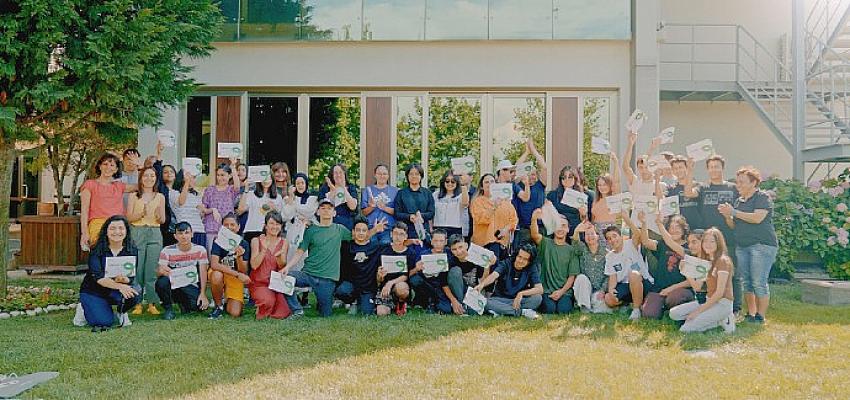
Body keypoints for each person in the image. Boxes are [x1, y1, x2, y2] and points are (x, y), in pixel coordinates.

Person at [285, 199, 382, 317]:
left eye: (329, 208)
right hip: (309, 274)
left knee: (325, 314)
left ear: (334, 213)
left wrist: (375, 230)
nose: (326, 211)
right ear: (318, 212)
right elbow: (299, 252)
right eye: (323, 208)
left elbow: (359, 237)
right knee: (284, 278)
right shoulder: (310, 231)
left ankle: (325, 302)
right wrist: (287, 267)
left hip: (327, 280)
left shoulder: (340, 230)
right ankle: (297, 310)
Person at [719, 166, 778, 324]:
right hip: (742, 246)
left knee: (758, 282)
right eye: (737, 182)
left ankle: (760, 316)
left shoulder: (762, 197)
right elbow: (734, 225)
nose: (738, 185)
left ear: (753, 183)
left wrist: (734, 212)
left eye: (742, 182)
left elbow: (757, 218)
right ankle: (751, 313)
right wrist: (728, 216)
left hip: (761, 245)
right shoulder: (739, 201)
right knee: (746, 282)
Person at [686, 154, 741, 314]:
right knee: (709, 272)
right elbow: (688, 192)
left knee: (733, 273)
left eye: (717, 166)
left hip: (728, 237)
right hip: (708, 241)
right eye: (711, 167)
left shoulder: (733, 188)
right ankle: (709, 303)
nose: (714, 169)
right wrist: (690, 170)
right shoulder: (703, 188)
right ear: (707, 170)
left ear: (722, 168)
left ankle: (735, 308)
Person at [78, 215, 141, 331]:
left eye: (121, 228)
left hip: (114, 290)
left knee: (136, 292)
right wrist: (120, 286)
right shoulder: (96, 250)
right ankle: (83, 308)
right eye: (112, 228)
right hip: (94, 291)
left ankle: (121, 311)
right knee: (103, 322)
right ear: (106, 231)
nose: (117, 232)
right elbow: (98, 277)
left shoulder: (132, 250)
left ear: (126, 231)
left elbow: (131, 276)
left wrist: (124, 280)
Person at [669, 228, 736, 333]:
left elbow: (719, 293)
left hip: (722, 303)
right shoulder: (705, 261)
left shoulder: (723, 261)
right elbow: (697, 287)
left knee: (684, 330)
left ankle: (724, 317)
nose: (708, 244)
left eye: (712, 241)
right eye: (705, 241)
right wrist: (685, 270)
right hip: (708, 301)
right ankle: (717, 320)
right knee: (673, 313)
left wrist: (697, 312)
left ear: (718, 243)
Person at [126, 167, 166, 315]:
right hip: (137, 232)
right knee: (138, 269)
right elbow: (129, 218)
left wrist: (159, 215)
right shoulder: (133, 196)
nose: (149, 178)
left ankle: (151, 302)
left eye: (152, 176)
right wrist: (140, 214)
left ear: (156, 178)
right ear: (141, 178)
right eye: (146, 176)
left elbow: (163, 220)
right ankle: (137, 303)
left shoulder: (160, 196)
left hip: (154, 232)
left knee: (152, 269)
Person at [639, 213, 695, 319]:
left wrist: (670, 289)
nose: (674, 230)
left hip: (680, 289)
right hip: (660, 288)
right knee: (649, 314)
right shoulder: (663, 244)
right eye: (671, 227)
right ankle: (664, 307)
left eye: (677, 227)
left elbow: (691, 281)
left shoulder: (690, 247)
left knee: (675, 298)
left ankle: (672, 307)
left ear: (684, 229)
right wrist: (644, 223)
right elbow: (646, 242)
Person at [155, 222, 210, 320]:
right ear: (175, 236)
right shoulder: (166, 250)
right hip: (174, 284)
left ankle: (184, 304)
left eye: (187, 233)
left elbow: (203, 272)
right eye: (180, 233)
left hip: (190, 285)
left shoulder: (200, 250)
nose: (184, 236)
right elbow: (159, 272)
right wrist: (162, 271)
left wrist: (203, 294)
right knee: (161, 282)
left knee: (198, 306)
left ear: (192, 234)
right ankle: (168, 309)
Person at [603, 215, 654, 321]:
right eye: (609, 239)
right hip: (625, 286)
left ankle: (636, 310)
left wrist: (626, 218)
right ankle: (628, 304)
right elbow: (613, 277)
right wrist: (611, 290)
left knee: (633, 274)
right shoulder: (609, 257)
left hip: (642, 282)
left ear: (621, 236)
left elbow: (638, 234)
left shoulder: (630, 244)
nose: (613, 240)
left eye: (614, 236)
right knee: (608, 298)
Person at [474, 243, 544, 319]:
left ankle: (501, 310)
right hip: (501, 299)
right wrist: (482, 284)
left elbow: (540, 289)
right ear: (516, 255)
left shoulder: (531, 268)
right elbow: (494, 275)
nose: (521, 261)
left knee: (537, 298)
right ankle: (522, 312)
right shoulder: (506, 263)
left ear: (529, 261)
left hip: (519, 300)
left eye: (525, 259)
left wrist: (521, 294)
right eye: (519, 257)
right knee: (487, 302)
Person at [530, 208, 580, 314]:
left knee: (563, 310)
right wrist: (534, 219)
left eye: (563, 226)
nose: (560, 229)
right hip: (546, 290)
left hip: (564, 291)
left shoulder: (571, 250)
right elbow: (534, 235)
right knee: (550, 309)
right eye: (557, 225)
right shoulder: (546, 243)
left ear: (568, 229)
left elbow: (572, 276)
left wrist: (561, 292)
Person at [80, 153, 135, 248]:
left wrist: (137, 165)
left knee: (117, 255)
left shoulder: (119, 185)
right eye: (105, 164)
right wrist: (84, 233)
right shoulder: (90, 184)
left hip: (118, 225)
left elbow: (144, 184)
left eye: (112, 165)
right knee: (101, 252)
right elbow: (84, 211)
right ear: (100, 166)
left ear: (116, 169)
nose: (108, 167)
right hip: (98, 225)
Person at [249, 211, 292, 320]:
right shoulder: (256, 241)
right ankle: (263, 304)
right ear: (265, 226)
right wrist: (264, 249)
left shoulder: (284, 242)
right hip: (260, 283)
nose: (275, 227)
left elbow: (282, 266)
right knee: (268, 302)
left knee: (284, 311)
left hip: (276, 283)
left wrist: (279, 258)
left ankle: (268, 304)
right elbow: (254, 265)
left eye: (277, 224)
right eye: (271, 223)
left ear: (281, 226)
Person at [439, 234, 495, 315]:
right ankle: (462, 304)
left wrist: (487, 266)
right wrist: (454, 301)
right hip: (458, 292)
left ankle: (465, 307)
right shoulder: (450, 261)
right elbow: (444, 284)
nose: (458, 251)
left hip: (473, 290)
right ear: (450, 250)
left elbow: (482, 281)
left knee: (473, 312)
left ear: (466, 245)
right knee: (455, 270)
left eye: (460, 247)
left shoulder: (476, 257)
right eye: (454, 249)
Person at [208, 213, 251, 319]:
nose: (229, 227)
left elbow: (243, 270)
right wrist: (237, 274)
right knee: (216, 275)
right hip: (223, 273)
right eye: (226, 225)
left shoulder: (244, 243)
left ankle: (227, 299)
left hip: (234, 277)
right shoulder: (218, 241)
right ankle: (218, 306)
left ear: (238, 227)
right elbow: (214, 264)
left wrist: (239, 257)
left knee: (235, 313)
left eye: (232, 225)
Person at [622, 132, 667, 233]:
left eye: (646, 167)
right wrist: (630, 144)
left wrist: (652, 148)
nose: (644, 170)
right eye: (641, 167)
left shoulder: (661, 185)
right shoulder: (635, 182)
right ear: (638, 168)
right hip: (636, 227)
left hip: (654, 229)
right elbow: (625, 167)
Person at [343, 216, 387, 315]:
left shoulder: (376, 247)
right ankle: (352, 301)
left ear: (367, 232)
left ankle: (360, 303)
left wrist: (411, 241)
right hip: (352, 286)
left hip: (368, 288)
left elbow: (395, 245)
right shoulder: (347, 246)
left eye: (364, 230)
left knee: (366, 312)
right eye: (358, 230)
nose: (361, 233)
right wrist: (374, 230)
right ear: (353, 231)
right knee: (342, 290)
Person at [470, 173, 518, 261]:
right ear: (482, 187)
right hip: (484, 245)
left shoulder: (505, 201)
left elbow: (514, 219)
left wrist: (506, 229)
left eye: (492, 181)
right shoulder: (477, 202)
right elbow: (480, 219)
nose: (490, 184)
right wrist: (494, 207)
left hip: (502, 243)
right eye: (486, 182)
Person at [375, 222, 418, 316]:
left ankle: (401, 302)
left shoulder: (411, 253)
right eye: (395, 233)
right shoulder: (384, 250)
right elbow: (378, 280)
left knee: (401, 288)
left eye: (401, 234)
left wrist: (390, 283)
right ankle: (391, 304)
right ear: (391, 234)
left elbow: (406, 275)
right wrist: (380, 276)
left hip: (400, 285)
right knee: (381, 313)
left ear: (406, 236)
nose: (398, 237)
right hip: (385, 287)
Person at [512, 139, 548, 249]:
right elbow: (515, 169)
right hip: (524, 229)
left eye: (533, 174)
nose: (531, 176)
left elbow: (544, 167)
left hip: (539, 227)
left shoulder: (540, 185)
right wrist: (526, 153)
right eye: (528, 174)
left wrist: (533, 150)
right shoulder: (518, 186)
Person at [572, 221, 612, 313]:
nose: (590, 236)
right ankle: (585, 307)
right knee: (581, 278)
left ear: (597, 236)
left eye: (592, 234)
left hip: (599, 290)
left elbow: (609, 275)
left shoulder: (606, 253)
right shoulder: (582, 249)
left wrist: (602, 290)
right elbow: (575, 243)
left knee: (601, 308)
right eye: (587, 234)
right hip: (585, 288)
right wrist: (577, 231)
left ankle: (592, 304)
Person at [201, 162, 242, 252]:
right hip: (211, 228)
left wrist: (233, 166)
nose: (220, 178)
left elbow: (237, 186)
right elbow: (203, 209)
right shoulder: (209, 190)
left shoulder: (231, 190)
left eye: (222, 175)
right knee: (211, 254)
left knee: (226, 256)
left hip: (227, 229)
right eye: (218, 175)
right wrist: (212, 210)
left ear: (229, 176)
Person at [408, 229, 449, 313]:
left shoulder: (449, 253)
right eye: (435, 241)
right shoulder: (424, 254)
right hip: (426, 286)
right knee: (415, 279)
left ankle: (433, 302)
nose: (438, 244)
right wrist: (416, 269)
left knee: (446, 309)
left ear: (446, 242)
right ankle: (424, 300)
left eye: (441, 241)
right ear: (431, 241)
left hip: (442, 287)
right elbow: (408, 274)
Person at [237, 174, 285, 244]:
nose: (266, 181)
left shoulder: (278, 197)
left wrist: (274, 208)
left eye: (268, 178)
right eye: (263, 178)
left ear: (272, 180)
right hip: (252, 230)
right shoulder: (251, 194)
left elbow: (281, 217)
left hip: (270, 232)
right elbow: (240, 210)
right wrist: (246, 189)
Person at [546, 165, 592, 239]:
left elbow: (586, 221)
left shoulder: (583, 195)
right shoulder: (553, 195)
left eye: (570, 177)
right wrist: (555, 215)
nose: (567, 179)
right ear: (561, 180)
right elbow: (547, 215)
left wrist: (583, 214)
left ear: (575, 178)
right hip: (559, 232)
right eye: (564, 177)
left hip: (576, 232)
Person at [394, 164, 435, 243]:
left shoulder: (427, 193)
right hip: (405, 231)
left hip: (423, 230)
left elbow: (431, 213)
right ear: (407, 176)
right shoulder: (401, 193)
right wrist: (409, 216)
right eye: (411, 174)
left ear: (421, 176)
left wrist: (421, 216)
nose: (414, 176)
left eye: (417, 174)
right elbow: (397, 213)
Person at [361, 163, 397, 245]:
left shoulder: (395, 191)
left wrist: (384, 208)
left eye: (384, 174)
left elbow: (397, 212)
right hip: (371, 228)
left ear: (388, 176)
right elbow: (363, 213)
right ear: (375, 175)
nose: (382, 176)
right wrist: (372, 207)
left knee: (385, 247)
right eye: (379, 174)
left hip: (388, 228)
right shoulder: (368, 190)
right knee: (372, 248)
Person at [590, 153, 620, 248]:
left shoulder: (613, 197)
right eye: (599, 185)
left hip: (609, 230)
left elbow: (616, 181)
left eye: (604, 184)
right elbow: (593, 218)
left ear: (610, 185)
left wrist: (616, 162)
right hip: (596, 231)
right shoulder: (596, 199)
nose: (602, 187)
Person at [170, 170, 206, 247]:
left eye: (193, 177)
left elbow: (200, 215)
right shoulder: (173, 193)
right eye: (190, 177)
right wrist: (187, 182)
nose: (192, 180)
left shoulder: (196, 195)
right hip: (184, 232)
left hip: (199, 230)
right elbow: (181, 202)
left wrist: (202, 211)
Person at [318, 163, 359, 230]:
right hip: (329, 223)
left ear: (344, 174)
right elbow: (323, 207)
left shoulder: (351, 187)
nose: (338, 175)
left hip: (347, 223)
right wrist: (333, 191)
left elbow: (353, 207)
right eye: (336, 173)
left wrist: (344, 188)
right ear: (332, 175)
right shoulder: (325, 188)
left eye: (340, 172)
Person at [432, 171, 470, 239]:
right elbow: (431, 212)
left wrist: (463, 185)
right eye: (447, 181)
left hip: (455, 228)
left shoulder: (461, 195)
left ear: (457, 182)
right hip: (438, 228)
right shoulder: (435, 195)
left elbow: (465, 204)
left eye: (453, 181)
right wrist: (430, 229)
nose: (450, 183)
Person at [668, 156, 703, 229]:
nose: (678, 170)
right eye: (675, 168)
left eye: (680, 167)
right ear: (673, 171)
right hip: (679, 231)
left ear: (686, 168)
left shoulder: (698, 185)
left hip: (697, 229)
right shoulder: (671, 189)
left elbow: (690, 193)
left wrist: (690, 170)